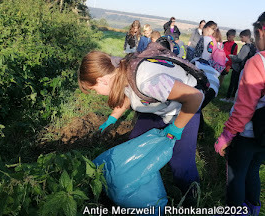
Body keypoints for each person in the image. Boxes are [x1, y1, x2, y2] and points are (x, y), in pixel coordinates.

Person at [78, 44, 204, 203]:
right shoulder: (118, 68)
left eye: (94, 89)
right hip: (160, 106)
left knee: (180, 162)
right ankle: (140, 183)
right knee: (136, 141)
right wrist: (112, 118)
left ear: (101, 80)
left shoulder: (147, 81)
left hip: (186, 109)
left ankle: (192, 201)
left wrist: (176, 128)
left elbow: (195, 97)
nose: (96, 94)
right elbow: (127, 94)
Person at [214, 11, 265, 216]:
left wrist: (227, 135)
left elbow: (245, 106)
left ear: (261, 30)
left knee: (236, 172)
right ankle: (253, 209)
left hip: (249, 131)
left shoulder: (258, 62)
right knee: (253, 169)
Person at [222, 29, 256, 102]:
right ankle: (233, 98)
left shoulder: (246, 47)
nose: (241, 39)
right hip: (245, 68)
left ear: (247, 36)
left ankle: (228, 98)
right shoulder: (253, 46)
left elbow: (240, 58)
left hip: (238, 67)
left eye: (242, 37)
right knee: (237, 84)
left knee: (233, 83)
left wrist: (231, 56)